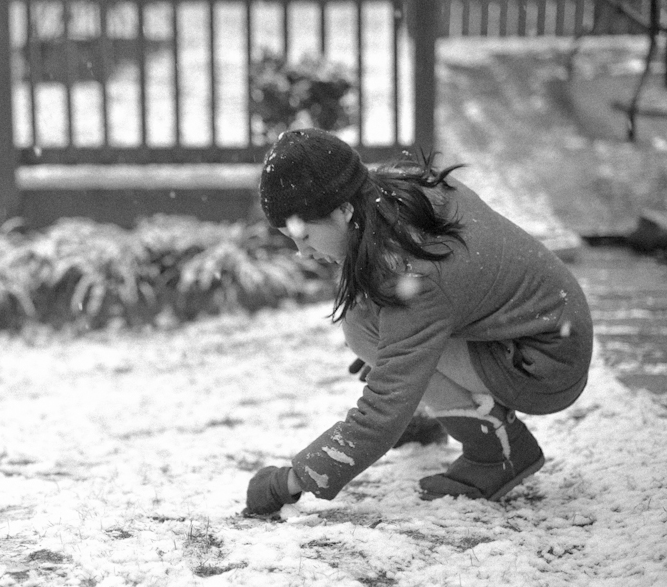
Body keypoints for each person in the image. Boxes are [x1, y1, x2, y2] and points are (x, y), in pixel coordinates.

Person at [244, 128, 593, 515]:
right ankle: (436, 409)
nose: (303, 253)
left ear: (343, 210)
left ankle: (498, 453)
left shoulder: (414, 273)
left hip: (547, 360)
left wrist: (290, 481)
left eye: (306, 235)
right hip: (547, 325)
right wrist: (397, 356)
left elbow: (382, 410)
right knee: (363, 324)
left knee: (392, 356)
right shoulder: (399, 193)